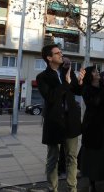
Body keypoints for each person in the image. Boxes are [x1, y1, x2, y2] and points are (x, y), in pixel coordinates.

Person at [36, 44, 85, 192]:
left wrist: (80, 81)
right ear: (49, 58)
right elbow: (51, 97)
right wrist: (66, 83)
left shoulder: (67, 72)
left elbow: (77, 91)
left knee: (72, 157)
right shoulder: (42, 77)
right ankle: (53, 189)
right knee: (53, 159)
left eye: (61, 52)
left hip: (71, 122)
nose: (61, 55)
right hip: (54, 123)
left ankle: (72, 188)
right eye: (58, 53)